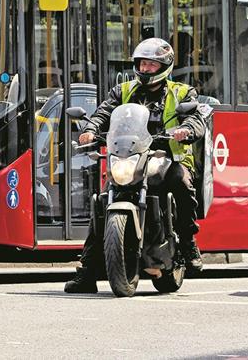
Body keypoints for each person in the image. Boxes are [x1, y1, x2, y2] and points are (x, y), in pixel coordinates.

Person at [64, 37, 206, 293]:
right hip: (130, 157)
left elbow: (197, 119)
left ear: (164, 66)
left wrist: (186, 129)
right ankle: (86, 273)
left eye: (151, 65)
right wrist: (90, 129)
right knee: (103, 200)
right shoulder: (123, 90)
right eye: (142, 64)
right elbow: (104, 113)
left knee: (183, 182)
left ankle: (188, 242)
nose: (145, 69)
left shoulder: (182, 92)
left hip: (167, 158)